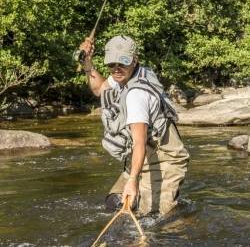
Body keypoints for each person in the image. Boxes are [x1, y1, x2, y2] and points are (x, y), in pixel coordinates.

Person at [79, 35, 190, 215]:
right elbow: (99, 89)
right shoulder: (127, 73)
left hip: (166, 158)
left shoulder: (136, 95)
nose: (116, 69)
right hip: (146, 153)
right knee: (114, 204)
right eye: (111, 64)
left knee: (153, 218)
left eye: (122, 63)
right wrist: (87, 63)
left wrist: (132, 180)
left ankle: (186, 222)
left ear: (134, 60)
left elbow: (139, 143)